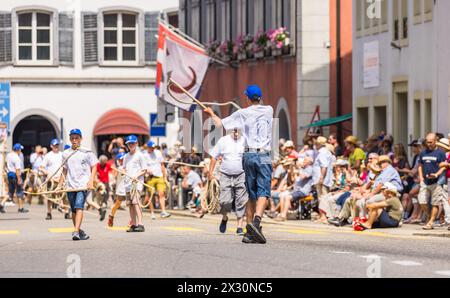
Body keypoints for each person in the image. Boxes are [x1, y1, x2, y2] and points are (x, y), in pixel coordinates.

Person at [204, 84, 273, 244]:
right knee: (263, 191)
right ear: (260, 98)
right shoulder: (269, 110)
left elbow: (220, 124)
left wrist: (211, 114)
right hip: (263, 154)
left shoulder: (242, 113)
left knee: (250, 193)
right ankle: (256, 223)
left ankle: (250, 230)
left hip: (248, 154)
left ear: (247, 98)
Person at [58, 129, 98, 241]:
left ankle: (75, 231)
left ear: (81, 139)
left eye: (76, 138)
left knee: (79, 206)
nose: (74, 140)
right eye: (72, 138)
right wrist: (60, 185)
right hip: (70, 185)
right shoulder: (66, 153)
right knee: (73, 210)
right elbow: (64, 170)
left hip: (82, 185)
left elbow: (94, 166)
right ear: (70, 139)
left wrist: (91, 181)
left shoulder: (87, 152)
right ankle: (79, 230)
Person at [209, 128, 248, 236]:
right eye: (234, 131)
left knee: (241, 201)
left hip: (241, 174)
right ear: (231, 130)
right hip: (225, 175)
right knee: (224, 201)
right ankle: (225, 217)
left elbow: (251, 156)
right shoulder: (223, 140)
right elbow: (214, 157)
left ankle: (239, 227)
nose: (236, 133)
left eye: (238, 131)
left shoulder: (245, 141)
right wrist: (210, 172)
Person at [418, 133, 447, 230]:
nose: (429, 144)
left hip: (436, 182)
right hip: (425, 181)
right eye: (427, 142)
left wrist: (437, 174)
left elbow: (443, 166)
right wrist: (421, 177)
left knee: (435, 202)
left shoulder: (440, 153)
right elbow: (420, 165)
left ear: (435, 141)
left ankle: (431, 222)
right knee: (422, 201)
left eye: (431, 142)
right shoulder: (423, 152)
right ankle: (429, 217)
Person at [40, 138, 69, 220]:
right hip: (51, 179)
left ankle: (67, 213)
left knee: (64, 196)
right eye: (54, 145)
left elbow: (65, 166)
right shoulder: (48, 156)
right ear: (51, 146)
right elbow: (41, 167)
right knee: (50, 197)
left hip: (61, 178)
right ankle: (49, 213)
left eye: (57, 145)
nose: (56, 146)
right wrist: (47, 173)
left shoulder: (62, 154)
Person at [123, 135, 147, 233]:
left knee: (136, 202)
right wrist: (123, 172)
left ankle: (140, 224)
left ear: (136, 143)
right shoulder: (126, 156)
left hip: (137, 183)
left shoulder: (140, 155)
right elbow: (124, 168)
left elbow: (144, 170)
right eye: (129, 144)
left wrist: (136, 176)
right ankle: (133, 224)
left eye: (133, 143)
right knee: (130, 205)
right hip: (127, 184)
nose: (131, 145)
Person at [144, 140, 171, 219]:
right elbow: (142, 166)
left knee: (161, 193)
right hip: (150, 177)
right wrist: (146, 170)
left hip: (159, 176)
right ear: (148, 148)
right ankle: (152, 212)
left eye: (153, 147)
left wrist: (164, 176)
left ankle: (163, 211)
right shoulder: (144, 155)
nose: (152, 149)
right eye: (151, 147)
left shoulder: (158, 153)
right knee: (150, 195)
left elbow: (162, 165)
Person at [5, 143, 28, 213]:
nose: (21, 151)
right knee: (19, 192)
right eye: (20, 149)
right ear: (18, 150)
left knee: (10, 192)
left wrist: (7, 170)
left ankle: (1, 203)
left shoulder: (8, 155)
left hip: (9, 174)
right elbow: (17, 170)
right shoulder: (17, 158)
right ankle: (21, 208)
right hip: (15, 175)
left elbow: (5, 163)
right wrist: (19, 179)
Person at [108, 153, 126, 227]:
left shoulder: (128, 166)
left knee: (133, 205)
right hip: (121, 189)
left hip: (129, 188)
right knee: (117, 204)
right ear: (118, 160)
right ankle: (111, 216)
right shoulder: (119, 168)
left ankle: (133, 222)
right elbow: (115, 175)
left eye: (123, 159)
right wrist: (118, 171)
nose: (122, 161)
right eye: (120, 159)